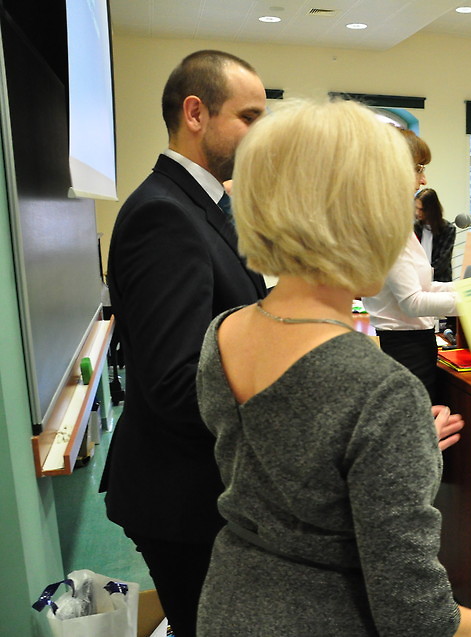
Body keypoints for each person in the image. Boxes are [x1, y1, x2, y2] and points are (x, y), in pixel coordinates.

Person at [195, 98, 471, 637]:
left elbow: (287, 462)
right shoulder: (380, 389)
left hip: (230, 601)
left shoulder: (224, 331)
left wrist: (397, 445)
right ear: (361, 216)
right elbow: (414, 612)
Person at [101, 50, 268, 637]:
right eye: (249, 117)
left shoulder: (201, 204)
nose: (260, 134)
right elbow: (178, 382)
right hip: (184, 497)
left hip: (199, 486)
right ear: (195, 113)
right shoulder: (165, 214)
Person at [362, 130, 458, 403]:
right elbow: (412, 302)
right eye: (418, 169)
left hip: (412, 343)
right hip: (405, 348)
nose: (423, 179)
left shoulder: (395, 221)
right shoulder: (386, 225)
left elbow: (422, 286)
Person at [414, 188, 457, 282]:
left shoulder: (448, 230)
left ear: (431, 210)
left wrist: (424, 275)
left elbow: (442, 263)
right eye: (416, 208)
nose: (417, 213)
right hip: (417, 281)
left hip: (439, 281)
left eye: (421, 209)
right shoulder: (415, 228)